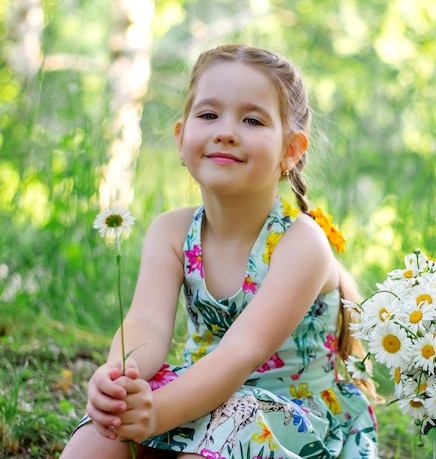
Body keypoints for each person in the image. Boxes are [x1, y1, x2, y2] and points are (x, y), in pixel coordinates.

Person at [60, 43, 379, 459]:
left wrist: (156, 414)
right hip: (200, 393)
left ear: (291, 151)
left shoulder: (302, 244)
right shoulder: (172, 231)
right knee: (96, 440)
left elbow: (240, 353)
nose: (225, 131)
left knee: (213, 449)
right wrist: (121, 378)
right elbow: (147, 324)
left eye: (252, 119)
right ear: (181, 137)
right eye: (209, 115)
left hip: (290, 420)